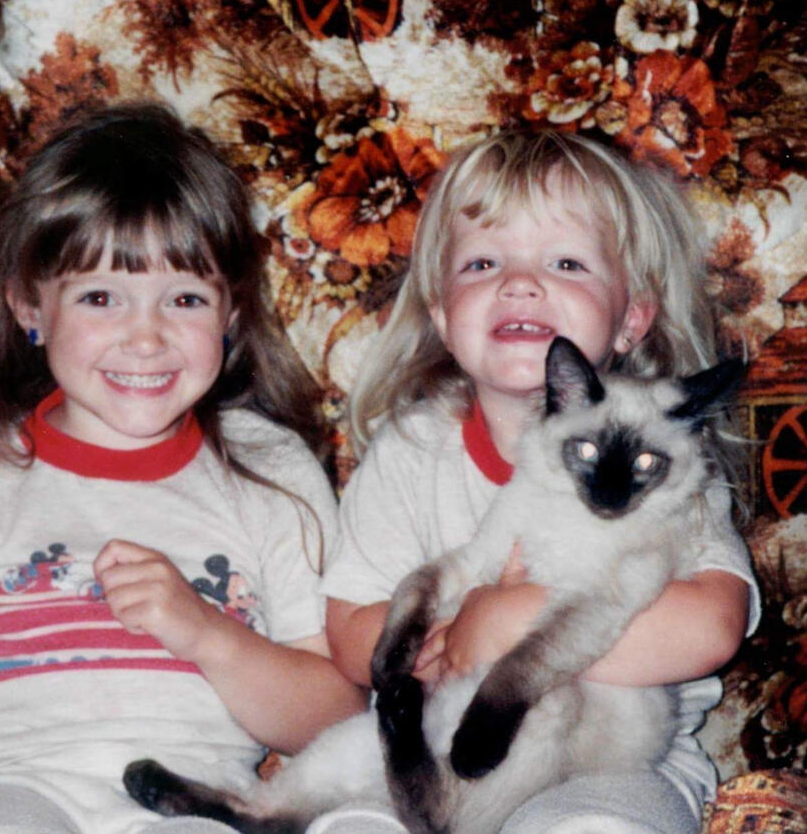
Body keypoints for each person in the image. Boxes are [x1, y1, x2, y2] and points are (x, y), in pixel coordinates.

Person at [0, 104, 364, 834]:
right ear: (30, 304)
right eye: (100, 296)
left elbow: (334, 717)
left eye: (184, 298)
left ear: (231, 313)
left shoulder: (271, 475)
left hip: (196, 797)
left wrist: (205, 633)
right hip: (5, 784)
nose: (146, 336)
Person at [320, 131, 759, 834]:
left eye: (565, 261)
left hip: (618, 764)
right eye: (484, 261)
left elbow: (709, 628)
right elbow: (349, 634)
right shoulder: (412, 449)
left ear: (632, 317)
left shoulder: (668, 458)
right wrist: (450, 629)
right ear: (440, 312)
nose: (519, 282)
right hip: (440, 735)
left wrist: (506, 618)